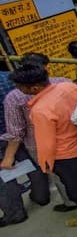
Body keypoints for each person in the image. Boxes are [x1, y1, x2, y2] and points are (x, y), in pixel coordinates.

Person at [9, 64, 77, 227]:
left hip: (65, 154)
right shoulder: (69, 87)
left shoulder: (40, 110)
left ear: (34, 87)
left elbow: (46, 142)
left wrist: (46, 164)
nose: (19, 90)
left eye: (21, 87)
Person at [1, 54, 77, 212]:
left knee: (57, 174)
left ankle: (72, 202)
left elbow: (16, 132)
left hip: (38, 143)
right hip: (72, 134)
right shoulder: (64, 82)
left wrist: (8, 157)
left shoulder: (15, 97)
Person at [0, 71, 28, 227]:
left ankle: (14, 213)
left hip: (4, 136)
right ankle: (41, 195)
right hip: (22, 130)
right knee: (30, 164)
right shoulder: (9, 77)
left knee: (4, 177)